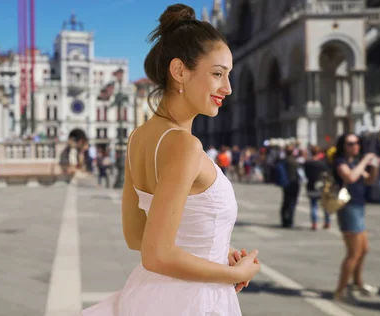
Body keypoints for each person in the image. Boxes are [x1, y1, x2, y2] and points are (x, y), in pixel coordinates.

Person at [82, 5, 260, 315]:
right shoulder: (184, 146)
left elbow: (137, 236)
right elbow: (157, 253)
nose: (227, 88)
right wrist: (234, 274)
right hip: (191, 302)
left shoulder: (139, 137)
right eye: (218, 74)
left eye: (227, 75)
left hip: (149, 293)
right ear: (179, 71)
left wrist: (218, 252)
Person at [333, 133, 380, 301]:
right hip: (348, 209)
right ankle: (340, 290)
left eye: (357, 143)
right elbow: (351, 177)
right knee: (353, 252)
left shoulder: (354, 162)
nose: (355, 146)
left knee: (364, 249)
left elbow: (369, 180)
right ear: (343, 146)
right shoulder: (340, 162)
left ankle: (357, 284)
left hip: (359, 207)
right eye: (350, 143)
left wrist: (374, 166)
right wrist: (365, 160)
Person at [303, 145, 330, 230]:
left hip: (311, 185)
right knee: (325, 205)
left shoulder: (307, 163)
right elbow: (327, 174)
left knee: (313, 205)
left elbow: (305, 174)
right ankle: (327, 222)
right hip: (322, 186)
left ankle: (314, 223)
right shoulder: (322, 163)